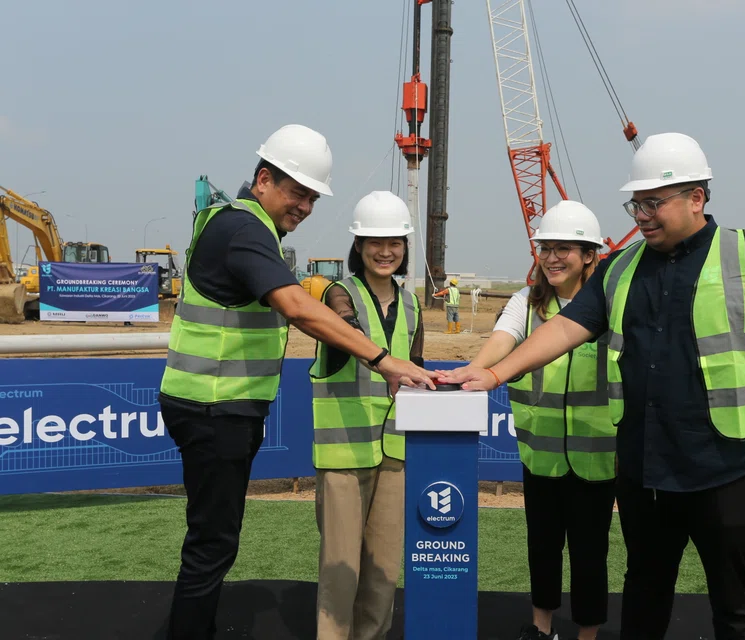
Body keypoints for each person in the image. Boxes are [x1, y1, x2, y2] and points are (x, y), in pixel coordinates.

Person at [440, 132, 745, 640]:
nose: (641, 214)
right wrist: (493, 372)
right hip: (647, 467)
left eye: (653, 202)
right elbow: (565, 327)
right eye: (636, 203)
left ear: (696, 197)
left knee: (735, 602)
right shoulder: (621, 269)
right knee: (645, 590)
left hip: (729, 465)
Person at [158, 127, 436, 640]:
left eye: (312, 196)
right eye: (297, 192)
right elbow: (292, 304)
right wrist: (383, 359)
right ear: (263, 180)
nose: (305, 206)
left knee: (213, 541)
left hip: (223, 407)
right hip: (215, 407)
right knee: (211, 545)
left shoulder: (237, 226)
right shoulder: (245, 228)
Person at [449, 201, 617, 640]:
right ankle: (541, 628)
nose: (552, 257)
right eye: (546, 248)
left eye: (565, 248)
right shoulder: (527, 302)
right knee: (542, 546)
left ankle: (587, 633)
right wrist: (479, 370)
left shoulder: (610, 304)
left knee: (589, 551)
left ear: (589, 256)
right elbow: (503, 338)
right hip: (540, 453)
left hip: (597, 456)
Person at [310, 190, 422, 640]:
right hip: (343, 455)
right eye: (374, 241)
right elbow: (341, 319)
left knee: (382, 568)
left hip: (395, 453)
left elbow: (414, 373)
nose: (385, 250)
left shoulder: (412, 306)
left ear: (405, 246)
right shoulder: (341, 293)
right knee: (341, 569)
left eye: (394, 241)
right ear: (357, 246)